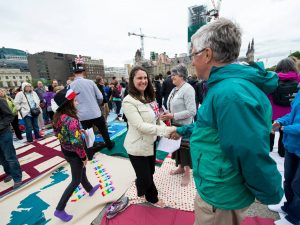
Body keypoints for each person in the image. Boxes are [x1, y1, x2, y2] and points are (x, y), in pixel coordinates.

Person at [169, 18, 283, 225]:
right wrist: (184, 130)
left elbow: (248, 151)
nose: (192, 61)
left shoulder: (230, 94)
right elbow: (211, 127)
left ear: (207, 54)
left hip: (221, 195)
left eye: (193, 54)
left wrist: (271, 192)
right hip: (217, 187)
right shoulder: (225, 88)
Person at [122, 66, 175, 208]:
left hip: (150, 143)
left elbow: (157, 119)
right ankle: (152, 197)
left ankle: (141, 188)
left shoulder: (149, 97)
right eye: (139, 78)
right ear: (132, 80)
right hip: (136, 146)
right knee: (146, 177)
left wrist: (167, 129)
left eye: (145, 78)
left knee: (149, 171)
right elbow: (140, 126)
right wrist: (166, 131)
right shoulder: (128, 101)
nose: (143, 81)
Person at [52, 88, 100, 222]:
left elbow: (59, 134)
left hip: (66, 150)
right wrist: (83, 157)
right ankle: (59, 209)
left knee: (80, 172)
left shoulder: (58, 116)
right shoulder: (71, 120)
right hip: (75, 153)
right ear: (69, 104)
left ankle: (89, 188)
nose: (77, 103)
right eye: (75, 101)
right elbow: (77, 144)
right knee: (76, 180)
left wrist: (79, 131)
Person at [160, 64, 196, 186]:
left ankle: (187, 173)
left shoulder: (188, 89)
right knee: (177, 148)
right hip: (175, 123)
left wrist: (173, 115)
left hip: (185, 125)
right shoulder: (175, 89)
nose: (171, 77)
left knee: (185, 149)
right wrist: (168, 113)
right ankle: (180, 167)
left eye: (174, 75)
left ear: (181, 75)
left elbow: (192, 111)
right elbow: (172, 104)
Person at [69, 58, 115, 150]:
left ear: (74, 73)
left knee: (88, 133)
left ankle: (91, 150)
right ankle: (109, 145)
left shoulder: (71, 86)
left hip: (82, 115)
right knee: (103, 130)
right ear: (83, 72)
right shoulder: (90, 82)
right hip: (95, 112)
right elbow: (100, 97)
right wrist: (96, 104)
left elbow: (70, 100)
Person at [271, 90, 300, 225]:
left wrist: (285, 129)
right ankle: (289, 206)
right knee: (288, 179)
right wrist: (280, 122)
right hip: (292, 145)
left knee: (298, 184)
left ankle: (295, 218)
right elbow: (293, 115)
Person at [269, 58, 300, 157]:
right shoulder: (298, 79)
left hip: (273, 111)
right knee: (284, 131)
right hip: (289, 112)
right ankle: (282, 152)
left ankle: (269, 148)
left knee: (271, 130)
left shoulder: (272, 79)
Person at [0, 97, 22, 189]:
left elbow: (10, 115)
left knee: (9, 156)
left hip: (4, 132)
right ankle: (9, 173)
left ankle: (17, 178)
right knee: (1, 157)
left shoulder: (1, 101)